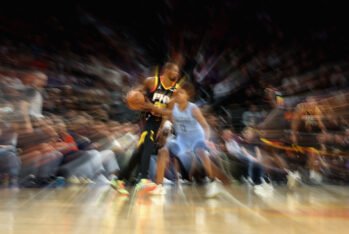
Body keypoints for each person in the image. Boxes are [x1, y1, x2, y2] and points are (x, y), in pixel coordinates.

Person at [112, 62, 180, 195]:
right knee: (148, 145)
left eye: (178, 72)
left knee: (140, 151)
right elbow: (137, 95)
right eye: (174, 71)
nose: (177, 74)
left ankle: (119, 179)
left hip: (157, 121)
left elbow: (169, 112)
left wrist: (162, 124)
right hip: (145, 119)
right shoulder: (152, 82)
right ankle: (143, 179)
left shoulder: (175, 89)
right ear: (166, 71)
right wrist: (134, 99)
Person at [153, 83, 230, 197]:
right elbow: (170, 124)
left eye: (181, 93)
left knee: (200, 151)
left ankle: (213, 183)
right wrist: (165, 129)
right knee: (163, 151)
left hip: (196, 138)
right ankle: (158, 186)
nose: (178, 95)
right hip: (182, 141)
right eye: (177, 93)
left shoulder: (193, 108)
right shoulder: (173, 108)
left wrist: (206, 139)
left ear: (187, 96)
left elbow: (205, 126)